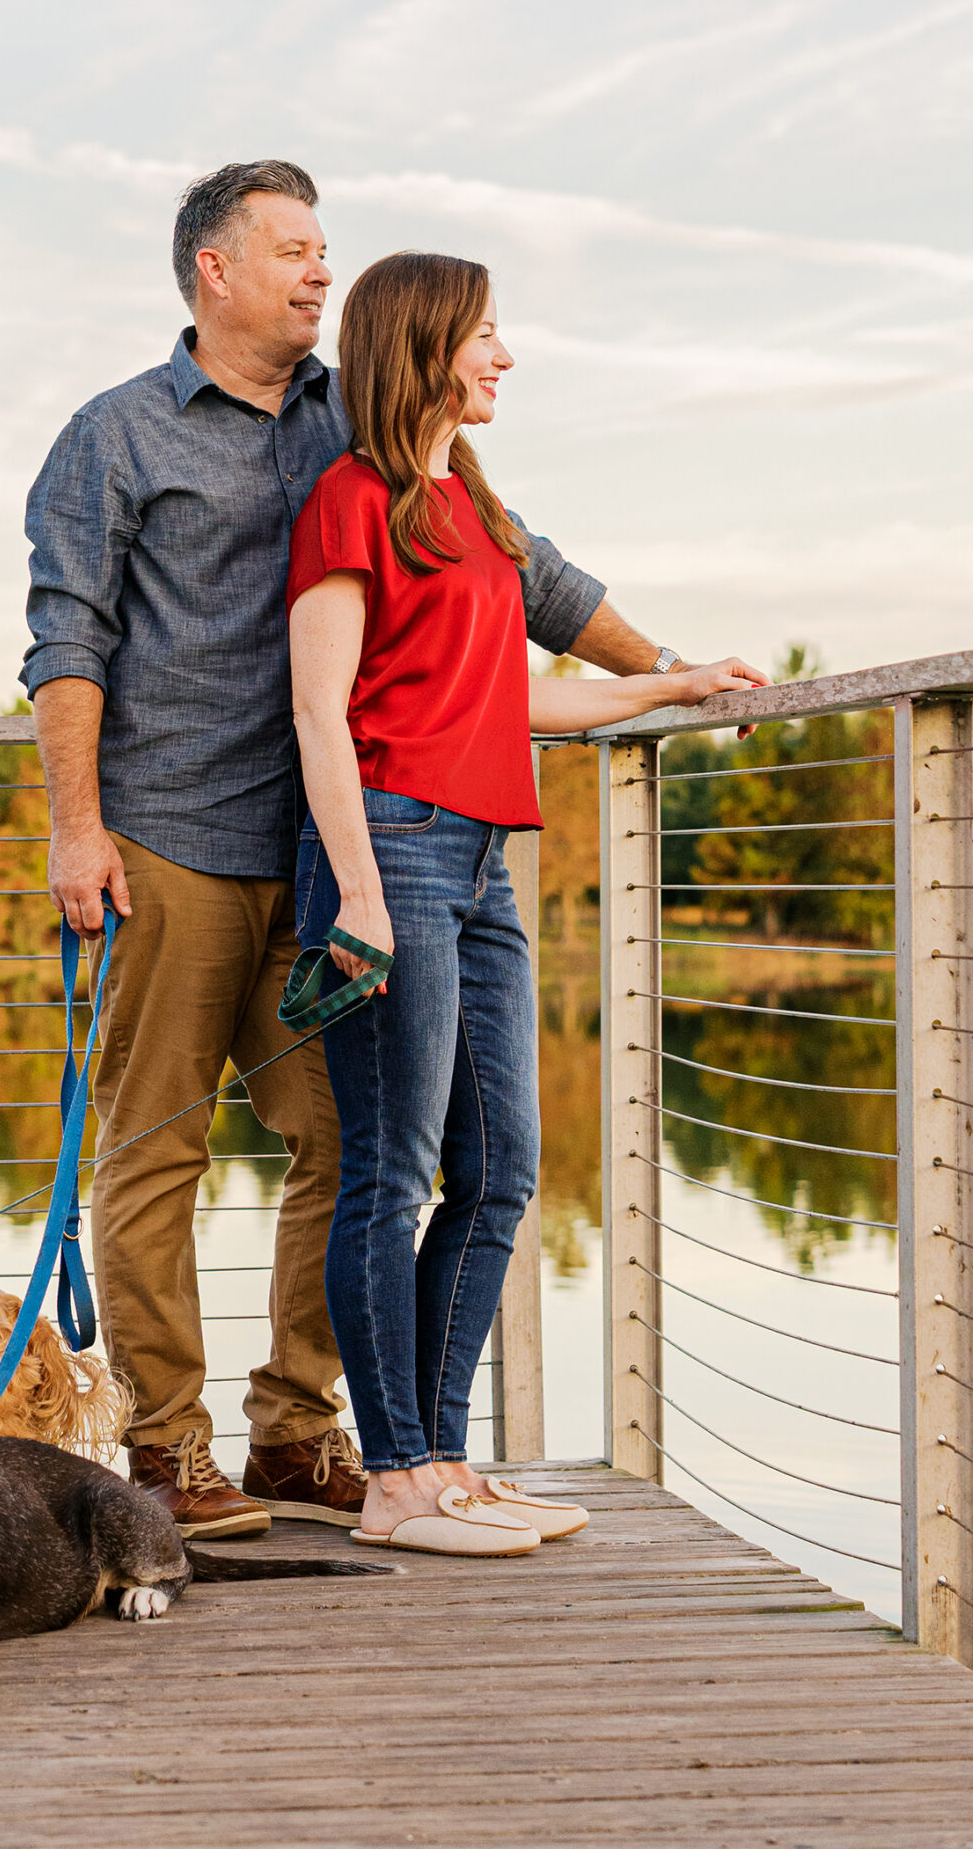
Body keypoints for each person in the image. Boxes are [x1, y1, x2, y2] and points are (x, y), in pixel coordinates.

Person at [22, 161, 732, 1540]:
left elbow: (530, 582)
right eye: (292, 250)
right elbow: (67, 642)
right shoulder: (113, 437)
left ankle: (300, 1430)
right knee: (156, 1146)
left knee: (355, 1149)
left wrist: (672, 669)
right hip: (169, 835)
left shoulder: (366, 423)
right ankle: (167, 1446)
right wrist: (74, 824)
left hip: (344, 841)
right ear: (213, 270)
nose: (318, 273)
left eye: (326, 250)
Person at [289, 250, 765, 1554]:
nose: (505, 357)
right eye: (486, 334)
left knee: (501, 1174)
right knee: (389, 1174)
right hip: (388, 850)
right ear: (424, 344)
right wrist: (362, 895)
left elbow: (512, 700)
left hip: (489, 855)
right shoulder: (352, 501)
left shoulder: (480, 513)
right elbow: (321, 715)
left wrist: (668, 686)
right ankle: (393, 1482)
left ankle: (444, 1461)